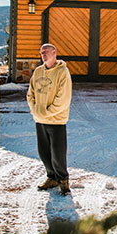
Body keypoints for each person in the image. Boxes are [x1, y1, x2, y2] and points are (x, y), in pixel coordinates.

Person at [27, 43, 73, 195]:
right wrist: (36, 111)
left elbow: (63, 98)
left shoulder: (62, 72)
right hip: (40, 120)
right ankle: (51, 177)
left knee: (58, 153)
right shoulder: (38, 71)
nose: (43, 55)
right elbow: (30, 94)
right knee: (44, 152)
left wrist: (47, 112)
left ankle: (63, 181)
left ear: (55, 53)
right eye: (41, 52)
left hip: (56, 120)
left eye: (46, 52)